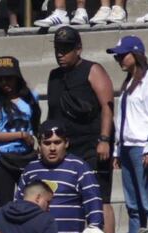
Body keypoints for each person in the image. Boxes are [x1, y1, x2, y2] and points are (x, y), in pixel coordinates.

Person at [47, 27, 116, 217]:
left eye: (65, 49)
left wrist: (104, 139)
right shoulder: (54, 76)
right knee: (70, 197)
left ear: (78, 49)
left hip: (92, 145)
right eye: (57, 49)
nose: (60, 54)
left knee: (100, 199)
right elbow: (52, 113)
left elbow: (107, 106)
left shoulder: (92, 70)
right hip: (66, 147)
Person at [109, 36, 148, 233]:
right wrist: (117, 148)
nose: (119, 59)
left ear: (136, 54)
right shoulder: (128, 81)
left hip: (142, 147)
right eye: (118, 56)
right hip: (126, 146)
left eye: (123, 55)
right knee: (133, 204)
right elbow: (122, 117)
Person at [15, 120, 107, 233]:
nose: (52, 148)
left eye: (57, 142)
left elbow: (94, 207)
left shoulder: (79, 168)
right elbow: (18, 207)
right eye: (47, 143)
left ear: (66, 143)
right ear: (39, 145)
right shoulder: (30, 170)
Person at [0, 56, 39, 207]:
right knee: (5, 206)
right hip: (3, 159)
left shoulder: (31, 97)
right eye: (0, 79)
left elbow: (36, 127)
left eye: (9, 78)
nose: (4, 83)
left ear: (17, 77)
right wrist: (21, 135)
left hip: (27, 158)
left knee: (31, 204)